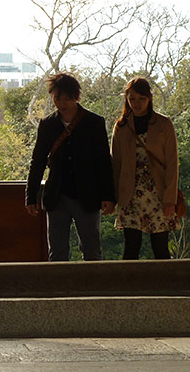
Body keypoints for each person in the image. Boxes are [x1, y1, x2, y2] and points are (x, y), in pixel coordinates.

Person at [25, 72, 115, 261]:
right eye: (58, 98)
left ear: (76, 97)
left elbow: (103, 161)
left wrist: (108, 195)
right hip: (57, 194)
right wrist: (31, 196)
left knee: (91, 249)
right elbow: (38, 161)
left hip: (88, 193)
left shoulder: (94, 123)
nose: (62, 103)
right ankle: (58, 291)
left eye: (67, 98)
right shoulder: (47, 124)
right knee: (57, 252)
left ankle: (93, 290)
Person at [111, 77, 180, 259]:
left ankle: (166, 286)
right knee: (131, 246)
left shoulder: (164, 124)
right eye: (132, 98)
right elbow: (115, 164)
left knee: (160, 247)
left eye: (141, 98)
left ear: (149, 98)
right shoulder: (122, 127)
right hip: (130, 192)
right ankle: (129, 286)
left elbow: (172, 163)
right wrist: (114, 197)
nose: (136, 103)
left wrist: (170, 199)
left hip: (158, 191)